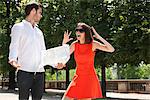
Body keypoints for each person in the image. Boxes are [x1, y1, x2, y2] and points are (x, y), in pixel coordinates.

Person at [8, 2, 63, 100]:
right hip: (24, 72)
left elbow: (44, 53)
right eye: (40, 13)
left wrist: (55, 64)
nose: (41, 16)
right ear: (33, 11)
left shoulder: (39, 32)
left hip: (39, 74)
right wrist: (13, 59)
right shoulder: (18, 27)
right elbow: (14, 46)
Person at [62, 22, 115, 100]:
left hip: (89, 78)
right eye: (77, 30)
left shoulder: (93, 44)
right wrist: (64, 43)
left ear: (86, 33)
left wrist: (99, 37)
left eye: (80, 30)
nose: (77, 32)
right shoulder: (74, 45)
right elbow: (63, 56)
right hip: (77, 77)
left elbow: (111, 49)